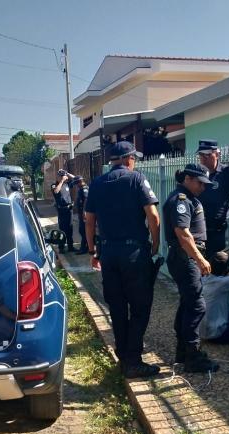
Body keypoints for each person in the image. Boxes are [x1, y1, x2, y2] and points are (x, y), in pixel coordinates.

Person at [84, 141, 161, 379]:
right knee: (140, 307)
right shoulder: (137, 179)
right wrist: (155, 244)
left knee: (116, 307)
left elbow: (89, 220)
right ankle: (133, 360)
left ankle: (123, 354)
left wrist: (92, 251)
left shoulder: (96, 184)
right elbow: (153, 216)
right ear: (128, 159)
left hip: (108, 253)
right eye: (133, 158)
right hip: (134, 254)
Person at [162, 164, 219, 373]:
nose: (203, 188)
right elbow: (183, 233)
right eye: (200, 183)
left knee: (188, 303)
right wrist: (200, 260)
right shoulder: (181, 200)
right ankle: (193, 356)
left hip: (185, 257)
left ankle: (183, 352)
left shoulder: (186, 198)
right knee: (196, 306)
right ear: (187, 178)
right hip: (186, 257)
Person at [51, 169, 75, 252]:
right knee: (62, 229)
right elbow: (56, 191)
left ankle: (71, 247)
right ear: (58, 177)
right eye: (61, 176)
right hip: (62, 210)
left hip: (69, 209)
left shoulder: (67, 184)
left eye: (63, 176)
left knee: (70, 228)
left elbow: (76, 179)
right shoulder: (54, 185)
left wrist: (67, 173)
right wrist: (61, 181)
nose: (63, 177)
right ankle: (61, 247)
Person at [72, 175, 89, 254]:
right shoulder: (81, 188)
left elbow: (86, 200)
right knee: (83, 231)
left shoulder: (84, 189)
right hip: (81, 213)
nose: (76, 185)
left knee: (83, 230)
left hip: (84, 213)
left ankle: (83, 248)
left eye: (76, 183)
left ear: (80, 182)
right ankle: (86, 247)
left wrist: (84, 211)